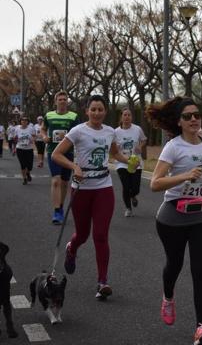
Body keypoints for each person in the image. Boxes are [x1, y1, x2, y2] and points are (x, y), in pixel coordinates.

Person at [146, 97, 202, 345]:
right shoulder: (173, 147)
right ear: (178, 121)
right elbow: (155, 183)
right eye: (188, 116)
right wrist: (184, 176)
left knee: (201, 272)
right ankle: (168, 296)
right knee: (174, 264)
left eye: (196, 115)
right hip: (173, 216)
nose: (193, 119)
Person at [52, 95, 132, 300]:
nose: (97, 113)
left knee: (101, 235)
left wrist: (130, 161)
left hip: (103, 188)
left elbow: (115, 154)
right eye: (93, 109)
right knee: (82, 234)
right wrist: (74, 166)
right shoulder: (78, 131)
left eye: (100, 109)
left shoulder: (109, 131)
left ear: (105, 112)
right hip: (81, 189)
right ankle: (72, 248)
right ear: (86, 111)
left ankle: (102, 281)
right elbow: (57, 154)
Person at [42, 90, 81, 225]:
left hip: (68, 153)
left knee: (64, 183)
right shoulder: (49, 115)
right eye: (60, 99)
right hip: (53, 152)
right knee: (56, 181)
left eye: (65, 99)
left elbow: (78, 133)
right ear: (55, 101)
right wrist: (44, 137)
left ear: (67, 102)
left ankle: (61, 206)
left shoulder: (73, 116)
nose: (63, 101)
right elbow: (43, 129)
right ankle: (57, 210)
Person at [114, 108, 147, 217]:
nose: (127, 117)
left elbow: (144, 139)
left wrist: (140, 146)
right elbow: (112, 147)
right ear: (121, 117)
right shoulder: (116, 132)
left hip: (135, 162)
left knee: (135, 187)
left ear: (131, 117)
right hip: (122, 162)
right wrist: (116, 147)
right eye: (125, 115)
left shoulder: (137, 129)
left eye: (129, 115)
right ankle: (128, 208)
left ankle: (133, 196)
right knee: (126, 186)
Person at [14, 115, 36, 185]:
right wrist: (15, 146)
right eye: (22, 120)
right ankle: (24, 179)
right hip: (20, 149)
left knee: (29, 166)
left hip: (29, 149)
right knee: (23, 164)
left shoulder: (31, 128)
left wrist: (32, 140)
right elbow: (15, 138)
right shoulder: (17, 128)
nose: (24, 121)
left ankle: (28, 172)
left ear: (28, 122)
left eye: (25, 120)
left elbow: (34, 136)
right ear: (20, 121)